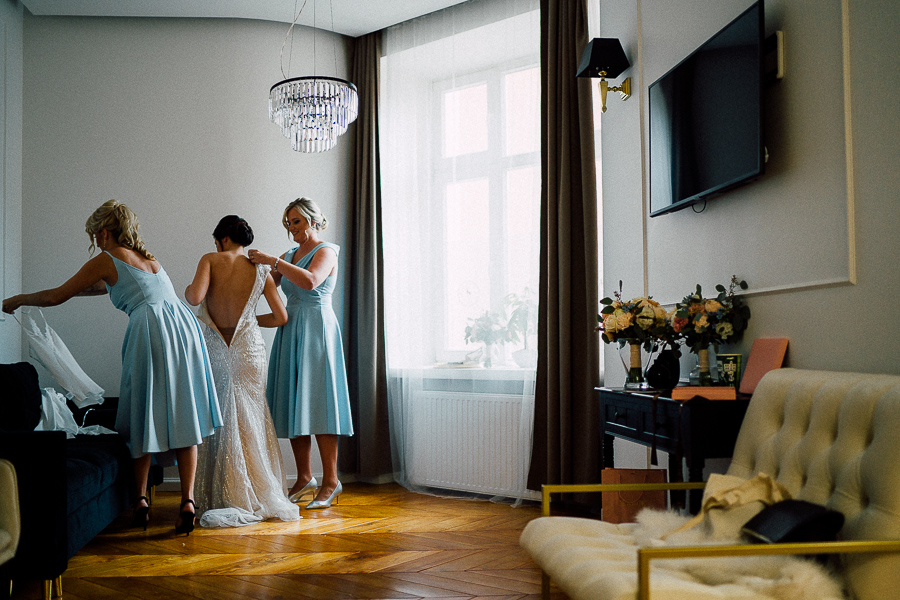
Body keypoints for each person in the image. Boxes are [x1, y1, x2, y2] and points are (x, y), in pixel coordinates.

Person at [2, 200, 221, 535]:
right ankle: (187, 501)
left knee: (140, 412)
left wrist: (18, 299)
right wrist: (76, 290)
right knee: (182, 411)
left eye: (94, 234)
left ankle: (140, 499)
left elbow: (57, 296)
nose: (95, 241)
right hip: (182, 328)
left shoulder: (107, 258)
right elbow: (103, 287)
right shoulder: (148, 258)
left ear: (104, 231)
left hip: (150, 329)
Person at [184, 215, 300, 527]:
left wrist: (188, 288)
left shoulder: (210, 259)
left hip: (216, 347)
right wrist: (249, 319)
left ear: (222, 238)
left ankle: (218, 493)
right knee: (252, 417)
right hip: (249, 349)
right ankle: (257, 492)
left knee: (217, 414)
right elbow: (281, 317)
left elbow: (194, 298)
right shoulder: (261, 269)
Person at [249, 197, 353, 509]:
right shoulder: (288, 256)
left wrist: (273, 261)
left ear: (313, 220)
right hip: (291, 328)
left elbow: (310, 281)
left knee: (320, 402)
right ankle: (305, 476)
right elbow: (263, 286)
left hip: (318, 330)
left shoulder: (326, 251)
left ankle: (331, 480)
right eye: (289, 223)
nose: (292, 227)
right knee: (296, 403)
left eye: (297, 221)